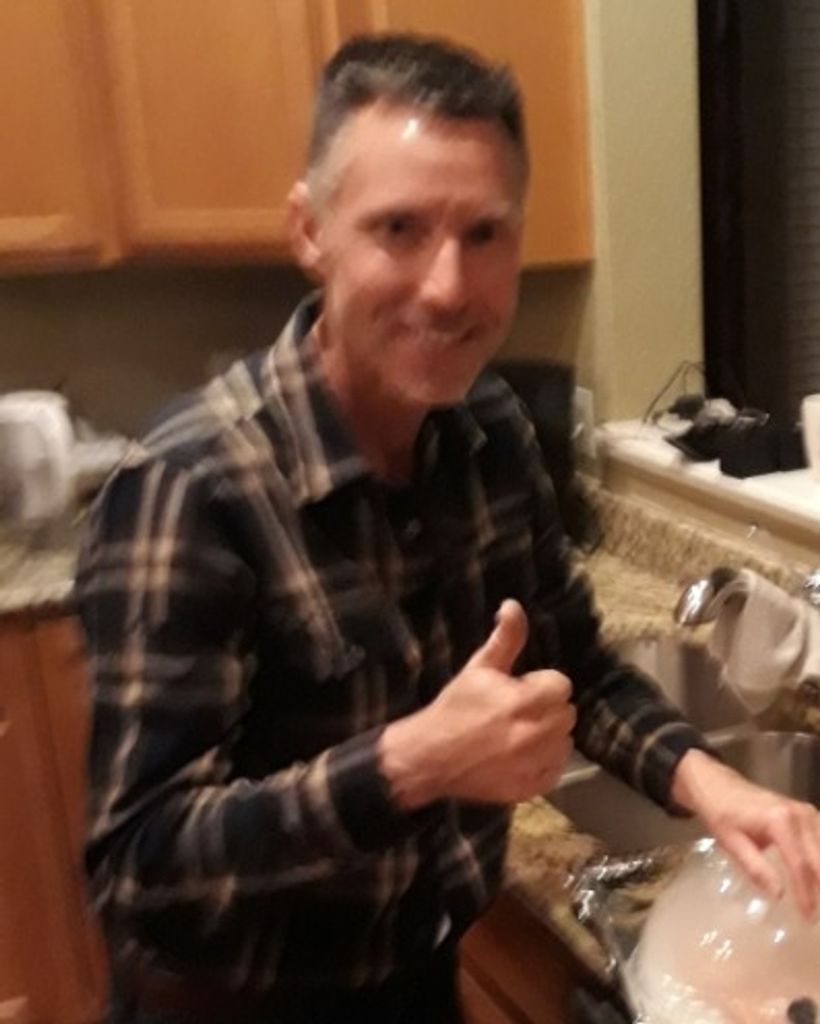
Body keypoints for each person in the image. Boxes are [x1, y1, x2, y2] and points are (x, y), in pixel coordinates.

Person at [75, 33, 820, 1024]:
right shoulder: (189, 488)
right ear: (310, 231)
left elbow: (575, 669)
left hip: (420, 976)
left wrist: (711, 784)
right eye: (399, 228)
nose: (447, 286)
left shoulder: (490, 434)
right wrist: (409, 764)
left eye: (484, 233)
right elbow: (140, 867)